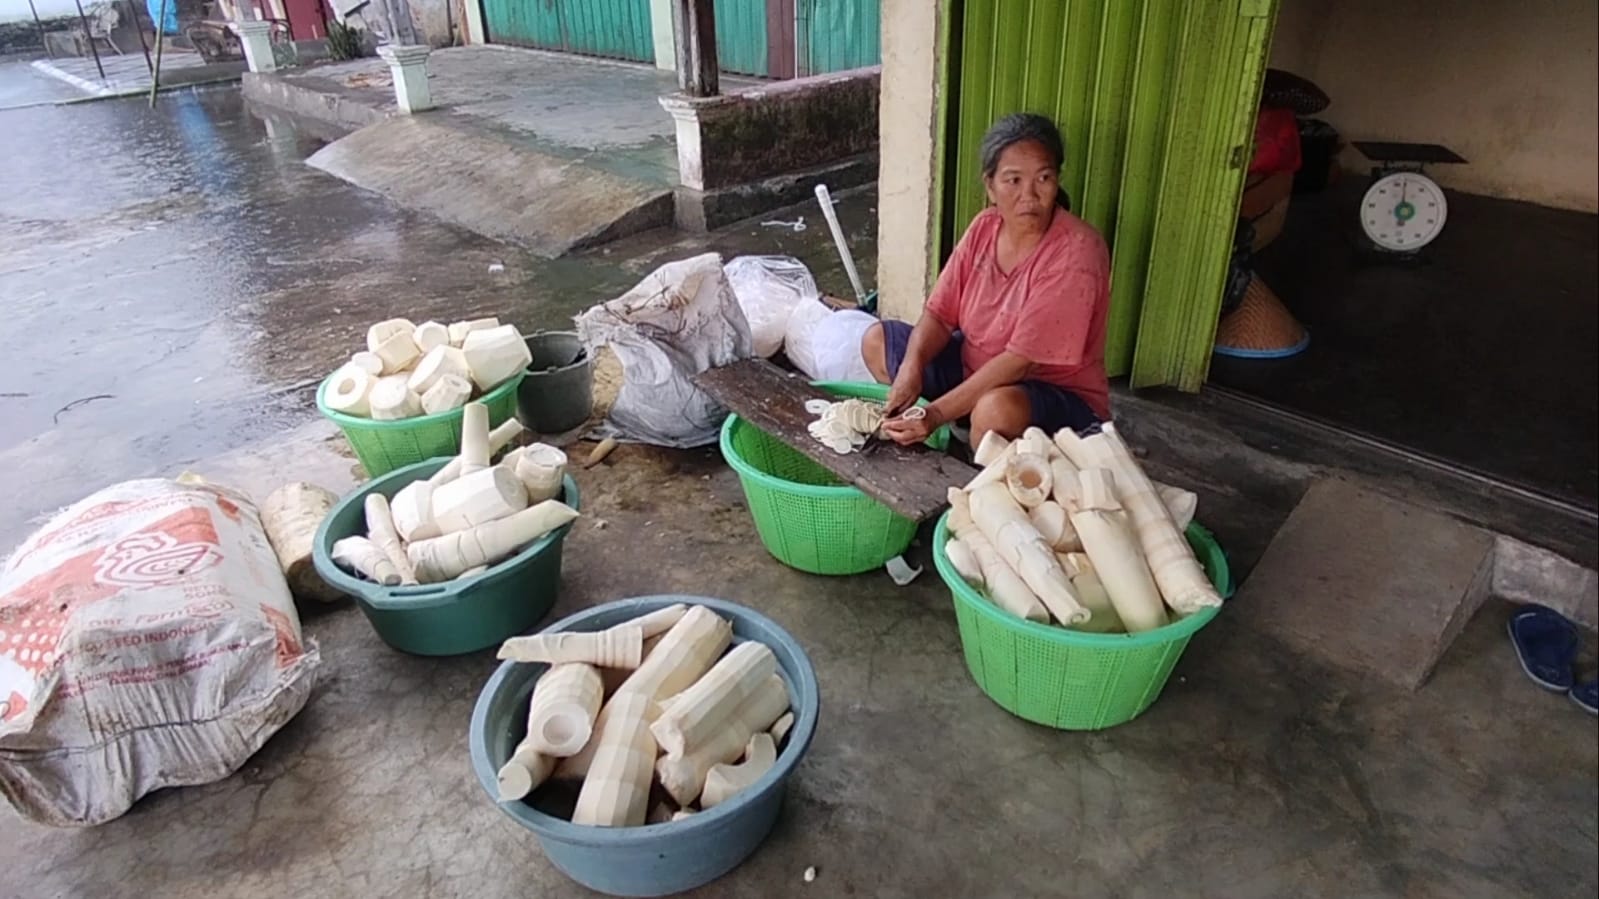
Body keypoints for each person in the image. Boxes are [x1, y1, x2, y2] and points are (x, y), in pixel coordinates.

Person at [862, 113, 1111, 447]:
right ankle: (955, 437)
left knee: (994, 411)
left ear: (1057, 182)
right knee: (877, 341)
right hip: (974, 372)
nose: (1030, 195)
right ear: (990, 186)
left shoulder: (1077, 252)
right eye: (1013, 180)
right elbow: (939, 314)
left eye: (1044, 178)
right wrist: (912, 365)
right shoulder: (985, 227)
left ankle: (979, 467)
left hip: (1055, 399)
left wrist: (934, 413)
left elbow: (1018, 363)